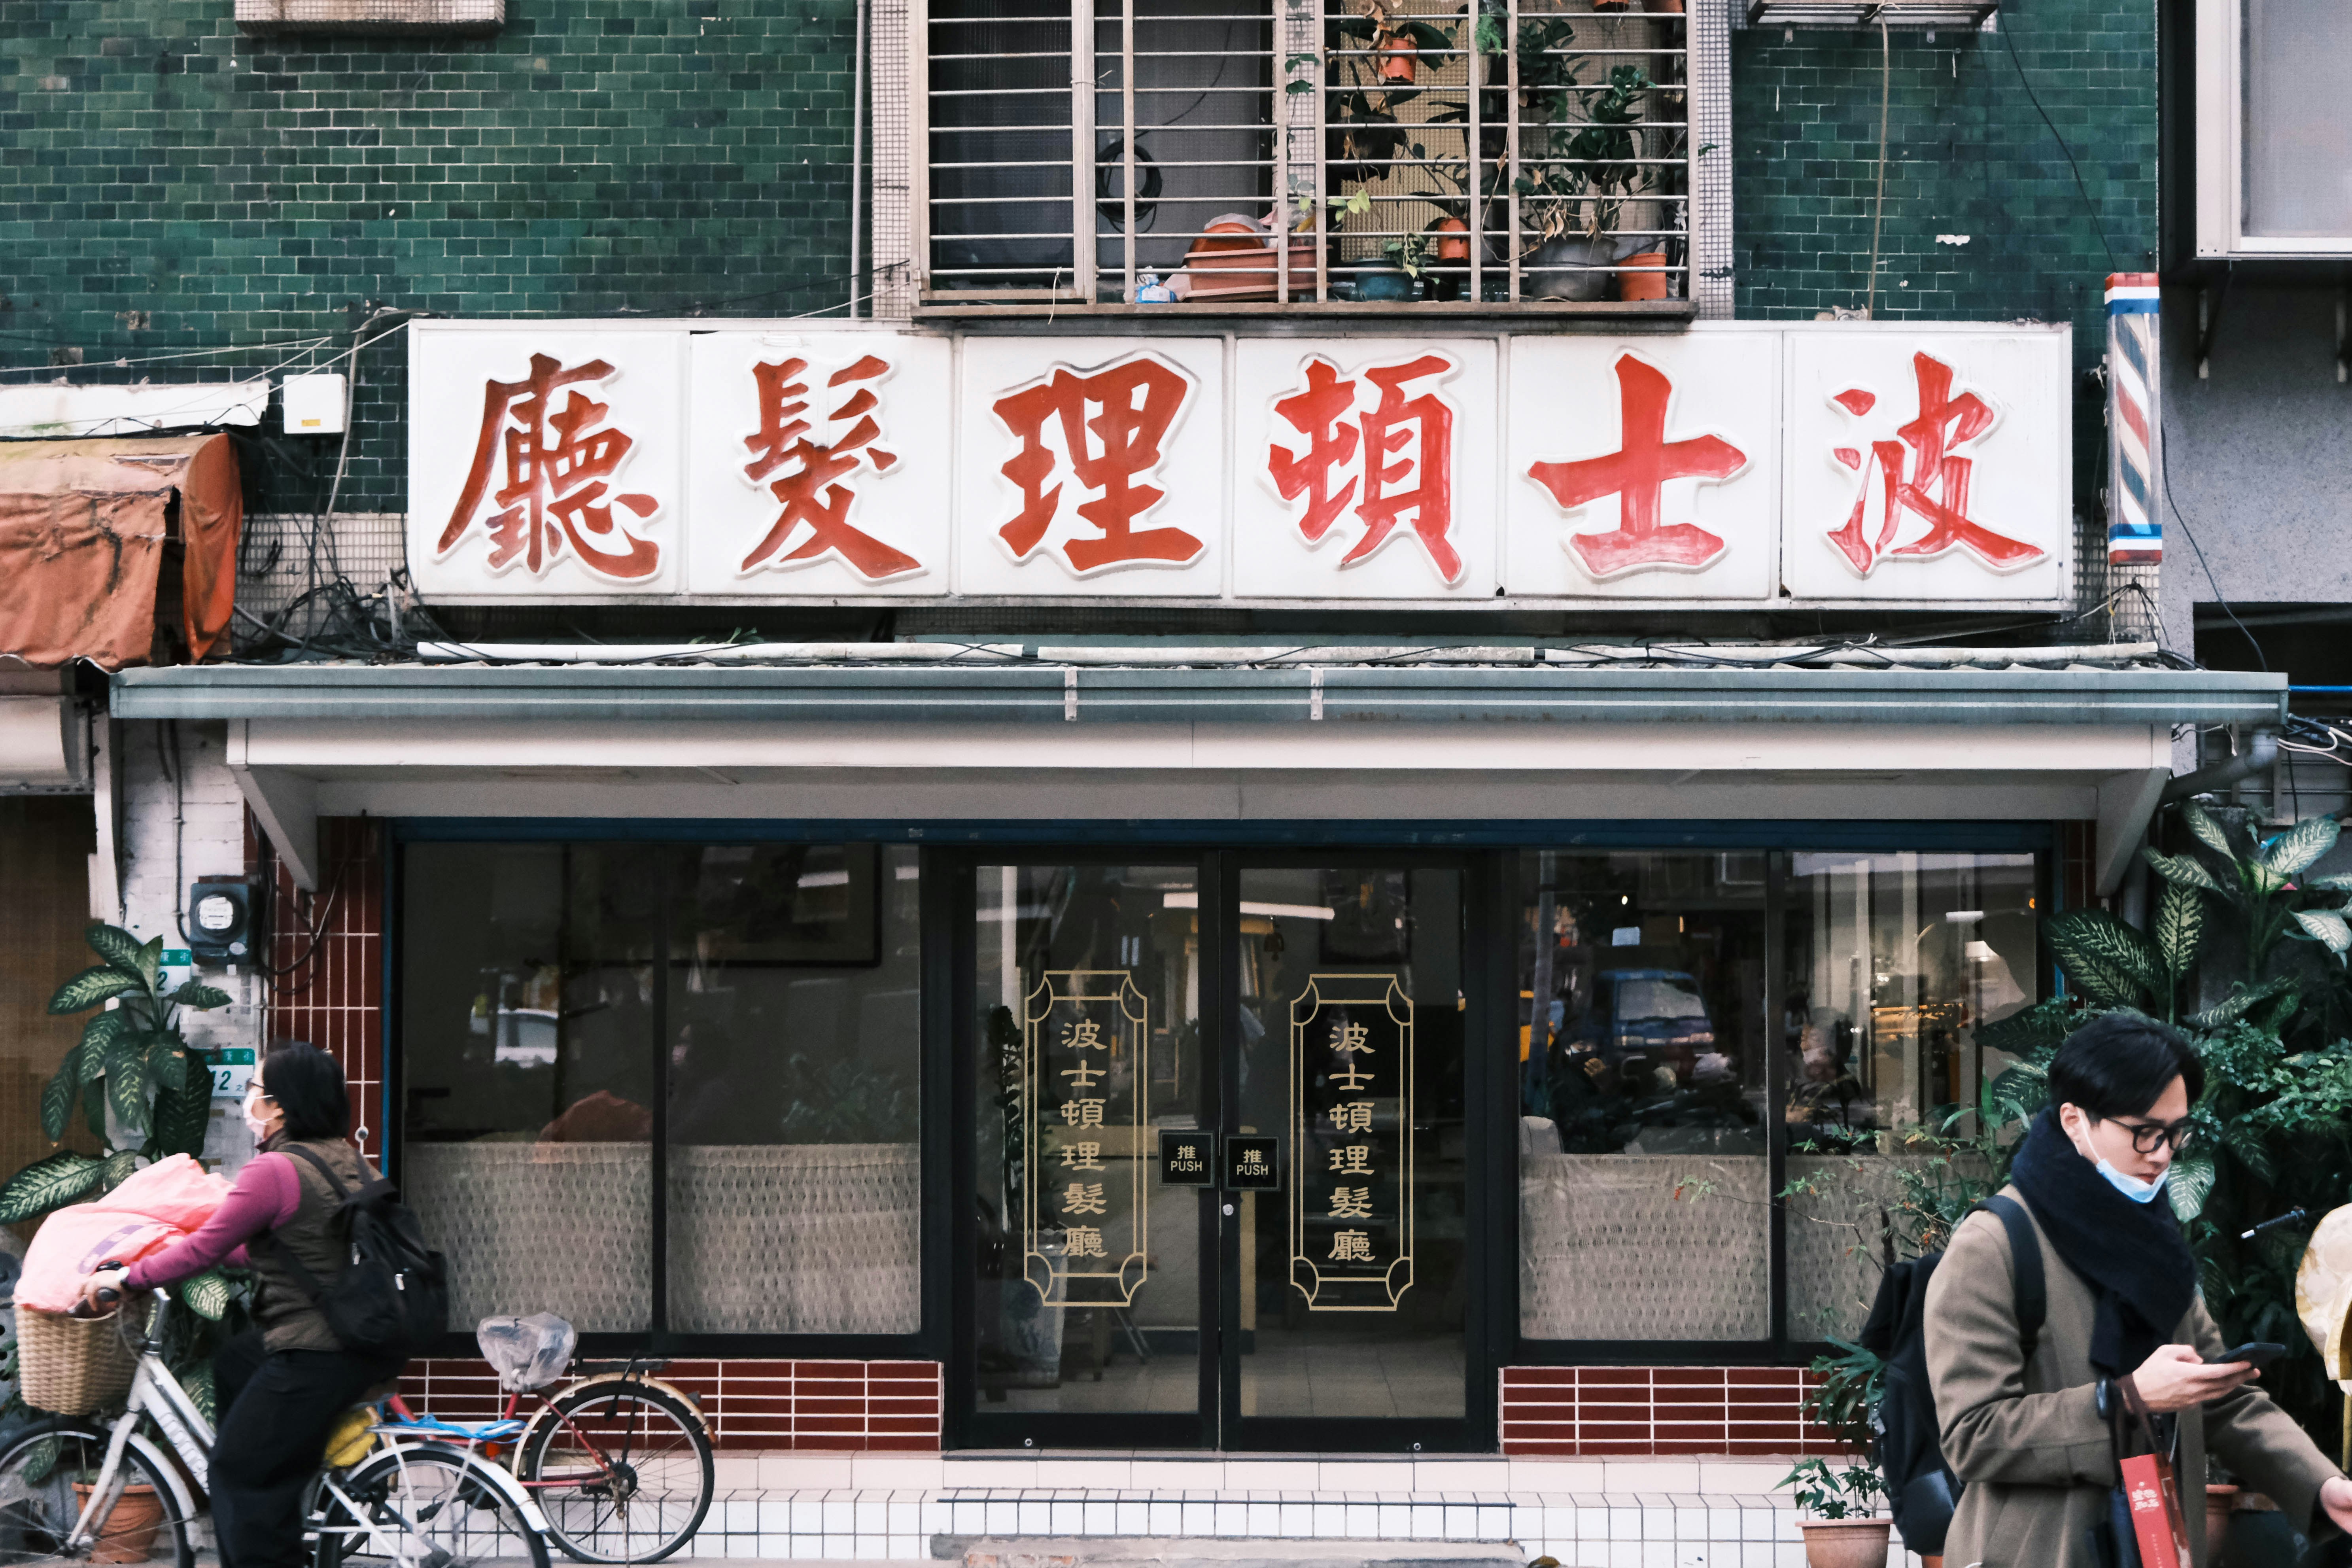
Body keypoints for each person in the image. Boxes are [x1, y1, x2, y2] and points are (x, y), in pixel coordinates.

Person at [1925, 1013, 2352, 1566]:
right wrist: (2127, 1401)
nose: (2164, 1152)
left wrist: (2320, 1485)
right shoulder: (1994, 1245)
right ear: (2076, 1121)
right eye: (2145, 1133)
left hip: (2158, 1545)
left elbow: (2221, 1395)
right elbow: (1973, 1433)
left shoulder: (2153, 1240)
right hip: (2038, 1552)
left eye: (2177, 1132)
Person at [78, 1043, 406, 1568]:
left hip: (314, 1350)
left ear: (279, 1105)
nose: (246, 1100)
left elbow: (207, 1246)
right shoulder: (344, 1159)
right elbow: (271, 1247)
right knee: (236, 1364)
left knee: (234, 1473)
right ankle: (284, 1484)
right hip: (360, 1338)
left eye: (254, 1090)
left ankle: (265, 1527)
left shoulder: (275, 1170)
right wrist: (165, 1253)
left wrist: (131, 1276)